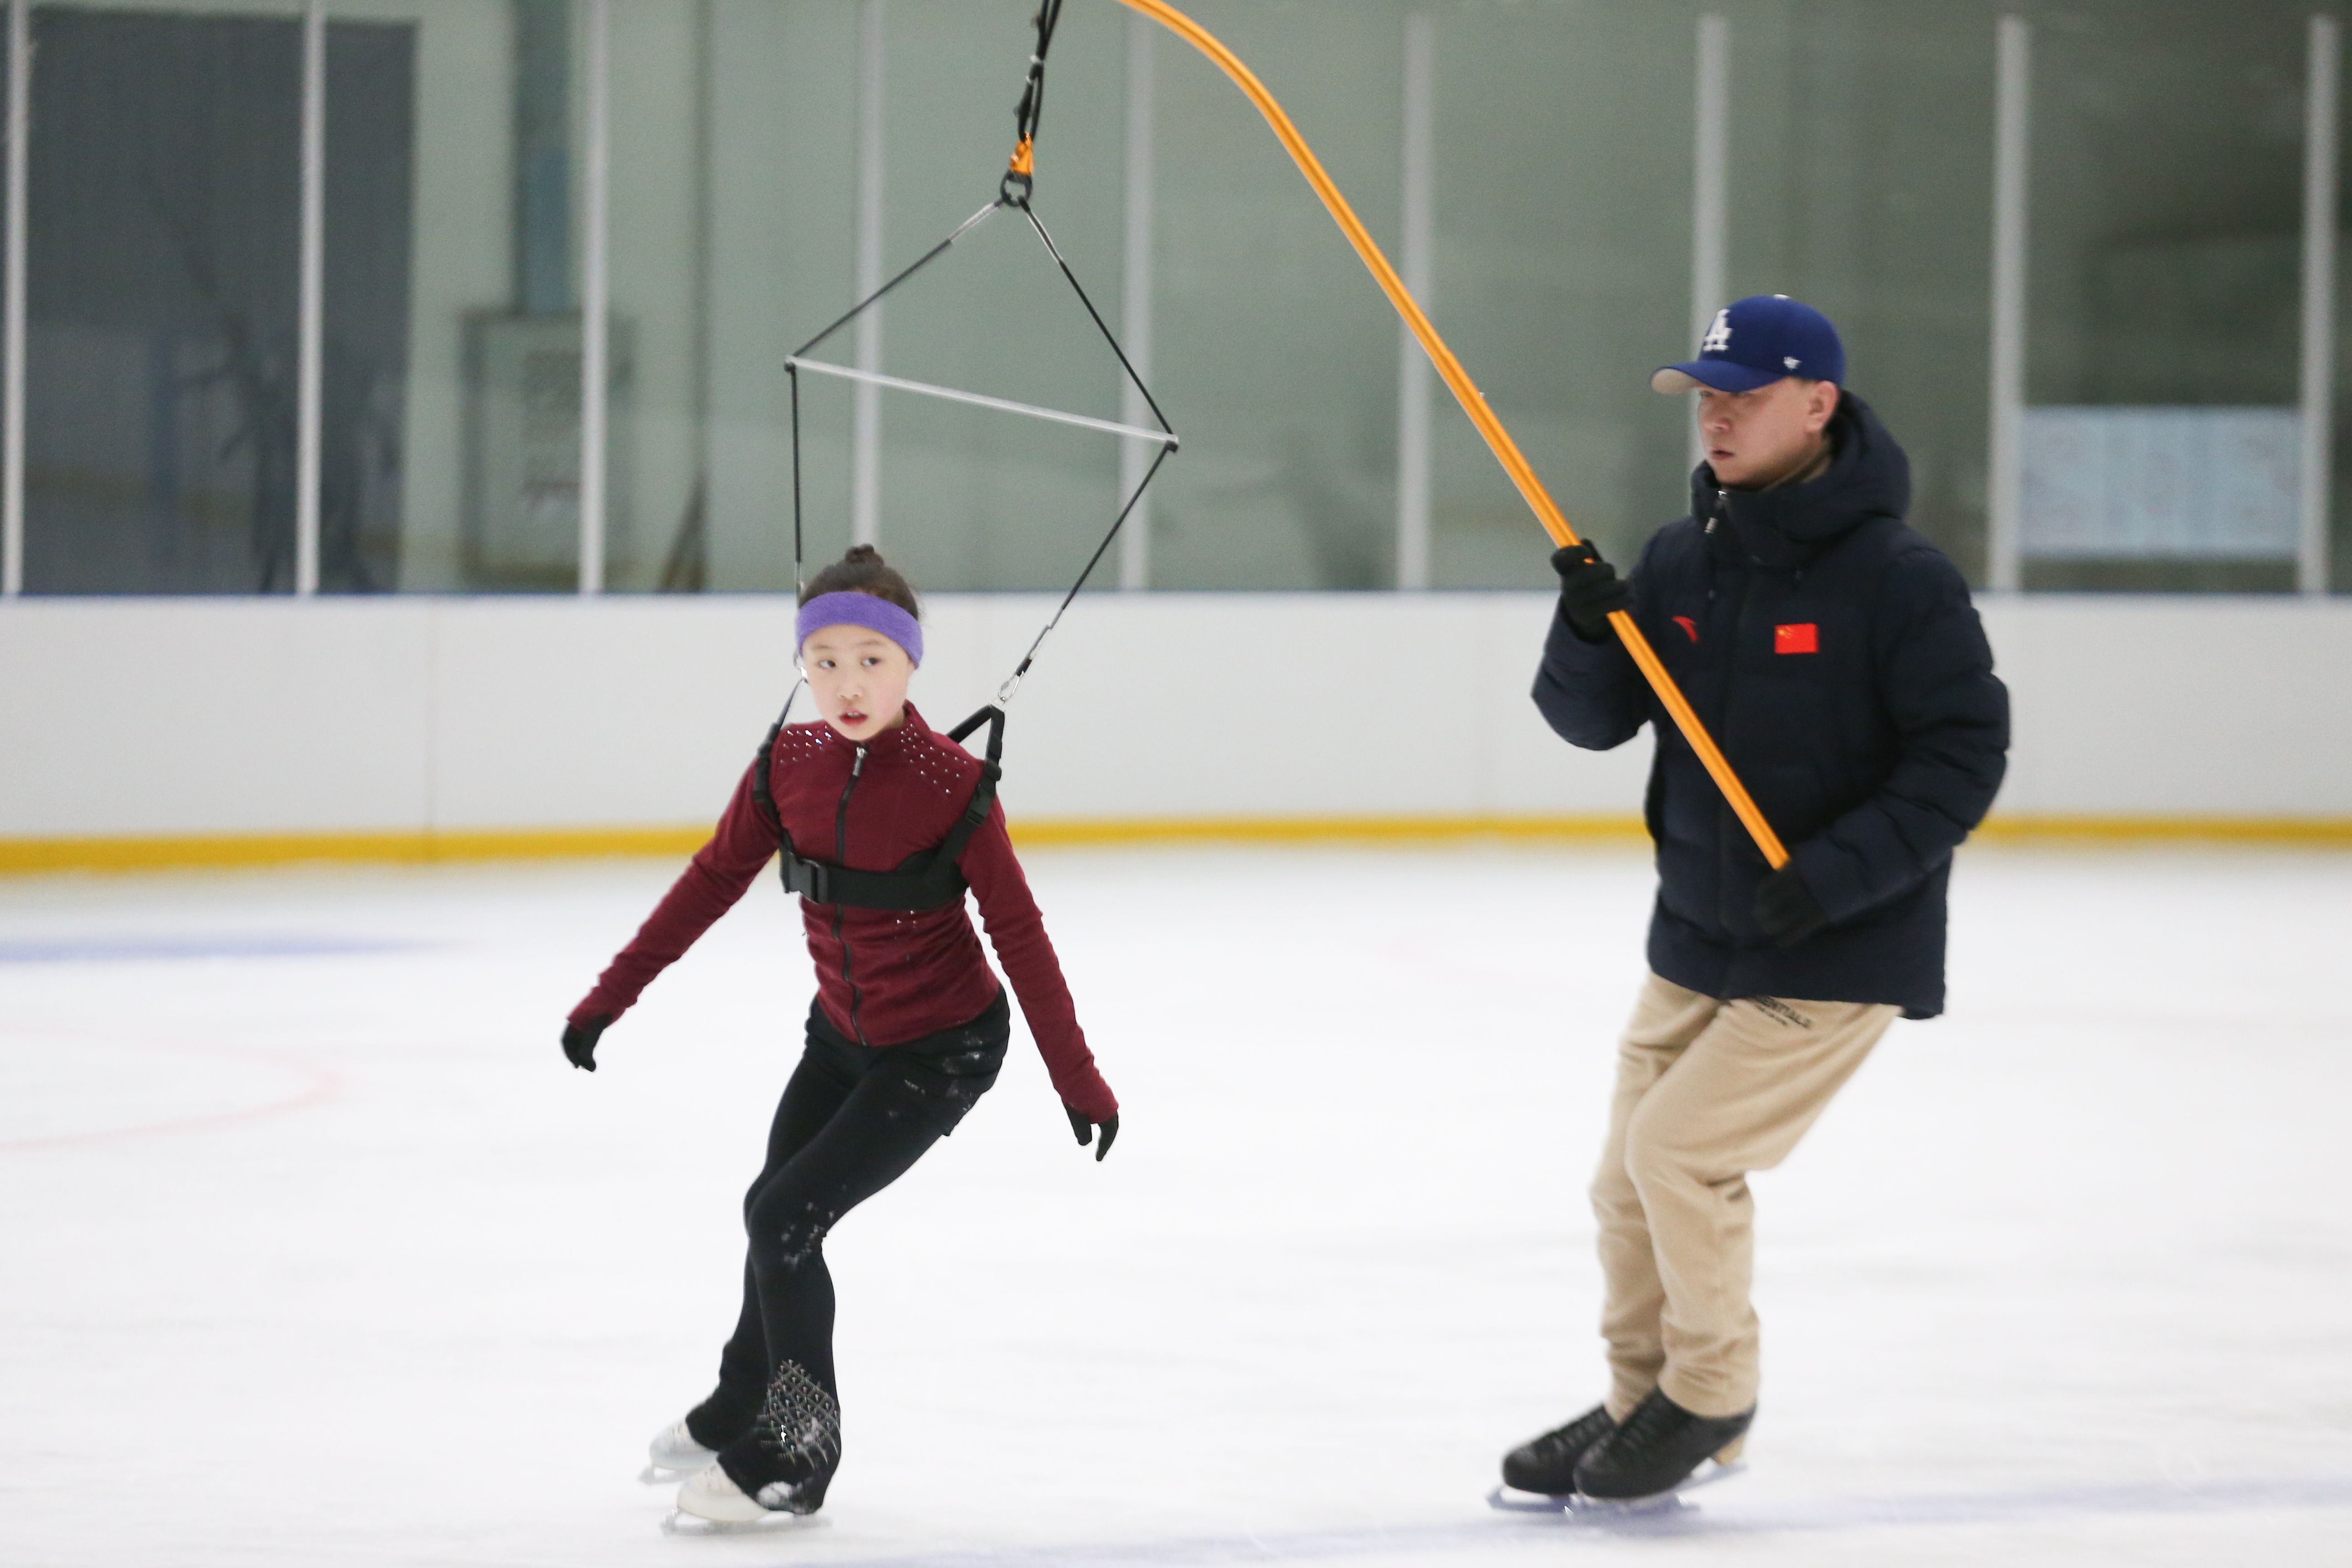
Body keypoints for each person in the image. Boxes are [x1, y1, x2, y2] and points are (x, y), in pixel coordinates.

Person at [1501, 296, 2008, 1503]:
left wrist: (1830, 878)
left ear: (1818, 404)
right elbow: (1587, 722)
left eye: (1745, 395)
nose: (1718, 418)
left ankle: (1713, 1391)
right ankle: (1645, 1401)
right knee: (1623, 1177)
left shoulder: (1898, 578)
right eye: (1706, 396)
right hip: (1696, 932)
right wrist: (1587, 633)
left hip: (1837, 944)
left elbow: (1962, 759)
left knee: (1679, 1154)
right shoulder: (1687, 559)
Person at [561, 545, 1120, 1528]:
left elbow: (1020, 934)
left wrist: (1078, 1080)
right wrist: (612, 996)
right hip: (841, 1036)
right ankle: (746, 1396)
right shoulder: (789, 762)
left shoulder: (950, 782)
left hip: (942, 1048)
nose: (847, 682)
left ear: (910, 665)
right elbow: (708, 881)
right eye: (823, 660)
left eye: (871, 658)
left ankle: (799, 1447)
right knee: (772, 1212)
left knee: (783, 1219)